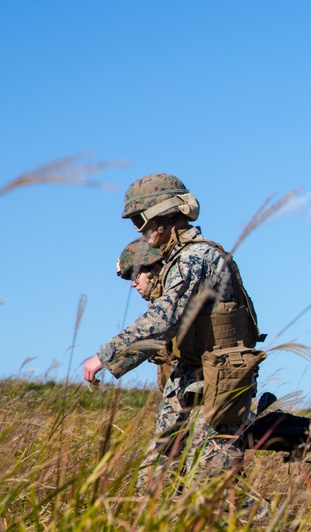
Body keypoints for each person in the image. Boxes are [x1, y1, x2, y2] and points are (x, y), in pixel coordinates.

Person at [83, 173, 266, 492]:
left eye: (140, 220)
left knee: (212, 487)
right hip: (188, 376)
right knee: (154, 481)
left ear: (163, 216)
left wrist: (104, 357)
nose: (139, 231)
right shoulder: (179, 261)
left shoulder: (196, 257)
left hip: (218, 381)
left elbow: (162, 319)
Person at [115, 237, 170, 390]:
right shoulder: (158, 305)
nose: (133, 284)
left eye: (136, 275)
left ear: (156, 269)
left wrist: (104, 359)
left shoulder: (177, 302)